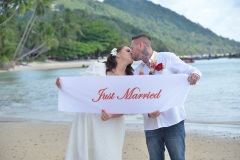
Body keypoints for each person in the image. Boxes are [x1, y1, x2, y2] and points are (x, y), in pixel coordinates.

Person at [130, 34, 202, 160]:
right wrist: (148, 113)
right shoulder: (137, 71)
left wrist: (194, 75)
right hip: (151, 125)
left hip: (173, 121)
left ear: (141, 45)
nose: (131, 51)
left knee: (178, 158)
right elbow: (136, 99)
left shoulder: (167, 57)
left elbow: (192, 70)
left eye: (132, 47)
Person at [56, 45, 133, 160]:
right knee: (86, 152)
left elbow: (128, 107)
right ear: (117, 54)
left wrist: (112, 115)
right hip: (89, 118)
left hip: (112, 123)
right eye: (128, 50)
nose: (131, 52)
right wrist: (64, 85)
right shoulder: (98, 68)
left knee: (109, 154)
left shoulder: (131, 78)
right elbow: (80, 88)